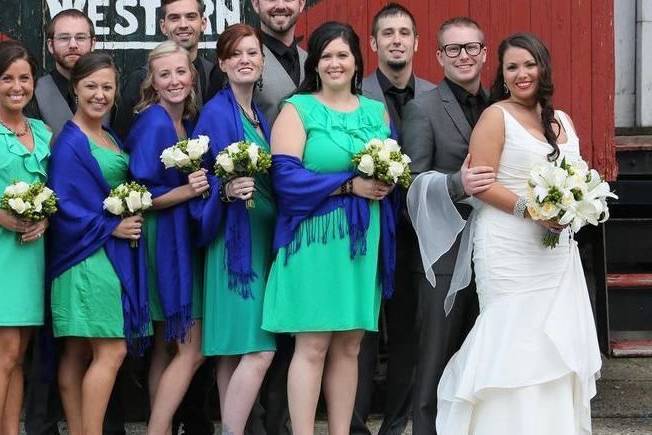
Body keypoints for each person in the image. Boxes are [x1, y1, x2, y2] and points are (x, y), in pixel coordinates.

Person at [409, 31, 602, 435]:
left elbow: (578, 177)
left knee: (554, 341)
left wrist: (573, 207)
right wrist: (530, 210)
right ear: (502, 73)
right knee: (512, 337)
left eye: (529, 64)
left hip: (555, 253)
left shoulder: (561, 120)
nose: (521, 74)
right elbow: (480, 182)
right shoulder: (495, 116)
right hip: (508, 246)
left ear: (543, 67)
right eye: (512, 67)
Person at [261, 21, 398, 435]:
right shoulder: (297, 109)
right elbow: (284, 179)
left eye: (343, 54)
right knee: (313, 345)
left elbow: (390, 162)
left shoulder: (375, 110)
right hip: (314, 239)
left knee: (350, 346)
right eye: (326, 56)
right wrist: (348, 184)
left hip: (362, 239)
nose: (335, 63)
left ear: (357, 60)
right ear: (314, 64)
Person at [400, 17, 496, 434]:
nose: (464, 56)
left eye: (472, 47)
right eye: (453, 49)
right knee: (435, 359)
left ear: (485, 52)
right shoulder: (422, 108)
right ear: (438, 55)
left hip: (496, 251)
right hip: (445, 254)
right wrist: (457, 184)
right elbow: (412, 188)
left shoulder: (500, 106)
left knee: (484, 358)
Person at [46, 52, 150, 435]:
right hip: (85, 257)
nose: (100, 94)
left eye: (107, 87)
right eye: (91, 86)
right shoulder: (71, 143)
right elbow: (64, 207)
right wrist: (112, 227)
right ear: (75, 88)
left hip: (98, 255)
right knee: (112, 350)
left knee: (77, 352)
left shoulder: (108, 136)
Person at [191, 23, 277, 435]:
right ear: (222, 63)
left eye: (252, 53)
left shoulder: (258, 114)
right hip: (233, 246)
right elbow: (199, 180)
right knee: (259, 350)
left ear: (262, 62)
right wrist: (223, 193)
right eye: (236, 54)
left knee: (231, 354)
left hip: (259, 237)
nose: (245, 60)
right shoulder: (216, 112)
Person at [353, 4, 434, 434]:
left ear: (417, 43)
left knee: (409, 332)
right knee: (360, 333)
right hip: (365, 228)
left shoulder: (436, 94)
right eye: (388, 33)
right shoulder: (354, 95)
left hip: (416, 234)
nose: (397, 39)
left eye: (405, 32)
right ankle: (353, 423)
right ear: (374, 43)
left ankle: (397, 423)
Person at [125, 41, 208, 435]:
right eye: (165, 75)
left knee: (165, 344)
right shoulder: (154, 121)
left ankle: (160, 427)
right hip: (162, 241)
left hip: (176, 238)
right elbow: (139, 195)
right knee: (192, 349)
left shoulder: (184, 122)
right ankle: (157, 429)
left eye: (180, 72)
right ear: (153, 83)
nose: (174, 81)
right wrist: (188, 191)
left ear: (192, 75)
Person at [249, 1, 308, 433]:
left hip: (311, 209)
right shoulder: (245, 54)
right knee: (260, 324)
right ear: (255, 4)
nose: (280, 4)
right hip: (261, 205)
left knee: (296, 320)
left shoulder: (315, 59)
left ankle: (284, 420)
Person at [0, 40, 51, 435]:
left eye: (24, 78)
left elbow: (55, 193)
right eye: (6, 79)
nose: (17, 86)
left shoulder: (42, 131)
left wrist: (45, 219)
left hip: (32, 254)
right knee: (5, 353)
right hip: (3, 254)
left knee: (18, 355)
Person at [115, 0, 225, 139]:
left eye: (191, 17)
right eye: (174, 18)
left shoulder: (213, 75)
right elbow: (121, 141)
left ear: (203, 23)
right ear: (163, 26)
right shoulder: (141, 79)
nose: (183, 25)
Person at [33, 9, 107, 136]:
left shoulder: (110, 93)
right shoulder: (34, 92)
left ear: (93, 43)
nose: (73, 45)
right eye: (64, 38)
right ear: (50, 45)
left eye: (80, 37)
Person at [251, 0, 307, 125]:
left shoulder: (315, 63)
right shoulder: (240, 63)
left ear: (301, 4)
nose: (281, 6)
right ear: (256, 4)